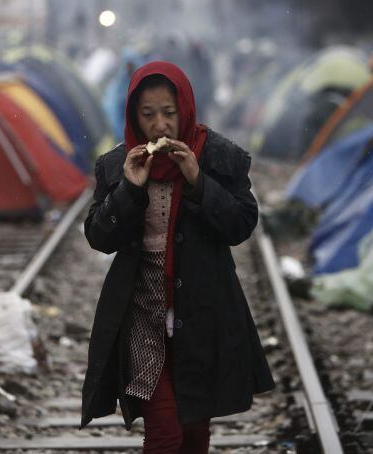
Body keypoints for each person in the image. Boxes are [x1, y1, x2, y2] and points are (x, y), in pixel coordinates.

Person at [80, 61, 275, 453]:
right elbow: (99, 236)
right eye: (148, 115)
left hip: (201, 311)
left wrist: (199, 181)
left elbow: (241, 225)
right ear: (134, 115)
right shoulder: (119, 164)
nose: (160, 126)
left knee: (193, 430)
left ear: (184, 110)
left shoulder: (218, 156)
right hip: (143, 314)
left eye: (169, 113)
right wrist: (129, 191)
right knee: (165, 430)